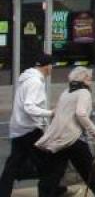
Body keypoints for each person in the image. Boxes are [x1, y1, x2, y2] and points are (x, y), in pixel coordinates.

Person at [36, 67, 95, 197]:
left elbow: (57, 112)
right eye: (89, 78)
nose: (91, 81)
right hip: (74, 138)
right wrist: (94, 131)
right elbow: (80, 113)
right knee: (88, 168)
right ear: (83, 79)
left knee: (54, 171)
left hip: (59, 138)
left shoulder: (66, 92)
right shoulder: (84, 92)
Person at [0, 52, 54, 197]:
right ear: (47, 66)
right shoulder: (35, 82)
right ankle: (51, 191)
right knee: (47, 164)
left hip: (19, 128)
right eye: (51, 65)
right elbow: (29, 107)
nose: (52, 69)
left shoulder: (26, 79)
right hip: (30, 129)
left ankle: (3, 192)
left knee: (12, 165)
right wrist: (50, 113)